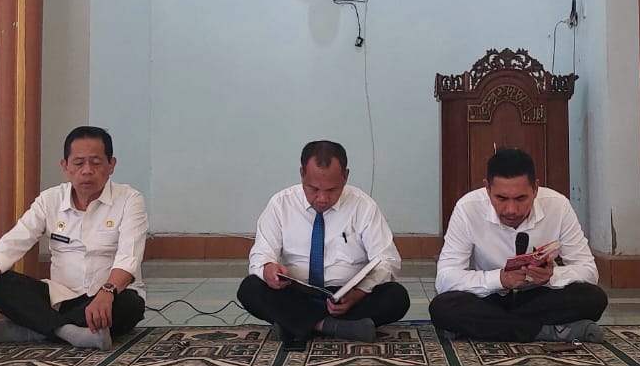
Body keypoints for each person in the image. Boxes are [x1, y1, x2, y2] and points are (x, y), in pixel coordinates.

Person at [0, 126, 147, 348]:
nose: (87, 171)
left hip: (110, 296)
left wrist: (107, 292)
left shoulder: (129, 199)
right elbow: (13, 243)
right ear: (65, 166)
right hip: (59, 299)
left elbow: (129, 256)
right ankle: (69, 332)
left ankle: (34, 328)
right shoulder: (49, 200)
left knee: (130, 305)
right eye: (78, 163)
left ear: (111, 165)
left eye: (96, 163)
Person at [237, 140, 409, 347]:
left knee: (396, 297)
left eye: (332, 190)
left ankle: (294, 323)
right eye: (313, 189)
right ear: (302, 174)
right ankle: (331, 326)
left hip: (347, 297)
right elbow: (260, 254)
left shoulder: (363, 206)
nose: (322, 198)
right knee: (250, 288)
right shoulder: (280, 204)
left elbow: (388, 260)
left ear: (345, 176)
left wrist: (358, 293)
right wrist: (268, 269)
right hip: (295, 293)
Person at [430, 148, 607, 342]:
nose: (511, 210)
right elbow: (445, 279)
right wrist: (500, 279)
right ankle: (546, 331)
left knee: (594, 298)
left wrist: (551, 277)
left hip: (538, 298)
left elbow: (588, 271)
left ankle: (488, 326)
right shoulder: (467, 208)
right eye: (501, 198)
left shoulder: (558, 205)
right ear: (487, 189)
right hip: (489, 297)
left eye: (521, 198)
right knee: (442, 308)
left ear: (535, 189)